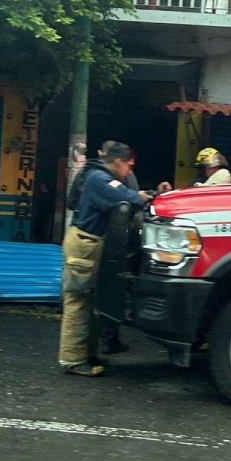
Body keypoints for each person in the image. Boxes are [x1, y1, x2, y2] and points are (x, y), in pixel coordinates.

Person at [58, 141, 150, 377]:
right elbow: (129, 198)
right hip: (85, 245)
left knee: (90, 303)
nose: (129, 171)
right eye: (128, 166)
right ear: (118, 162)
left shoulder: (100, 176)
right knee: (78, 302)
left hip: (91, 244)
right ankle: (72, 360)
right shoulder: (99, 179)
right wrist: (143, 195)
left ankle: (86, 355)